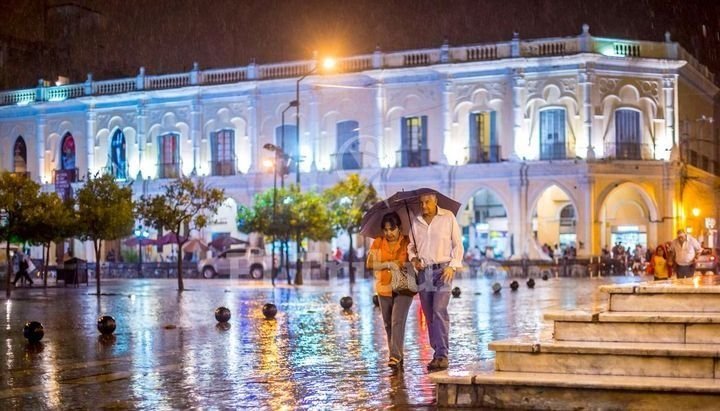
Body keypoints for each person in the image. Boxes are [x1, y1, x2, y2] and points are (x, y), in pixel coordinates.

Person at [408, 192, 464, 372]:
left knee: (439, 310)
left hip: (443, 270)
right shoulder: (415, 222)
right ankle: (436, 353)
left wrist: (453, 266)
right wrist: (413, 258)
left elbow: (457, 244)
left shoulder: (448, 217)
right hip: (424, 272)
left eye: (427, 202)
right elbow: (411, 247)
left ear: (435, 201)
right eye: (421, 202)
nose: (424, 206)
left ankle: (442, 354)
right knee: (429, 313)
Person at [367, 211, 412, 368]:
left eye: (391, 229)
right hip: (384, 287)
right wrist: (388, 264)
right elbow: (370, 264)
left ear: (399, 228)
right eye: (385, 230)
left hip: (403, 287)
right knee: (388, 324)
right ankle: (398, 353)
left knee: (397, 320)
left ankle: (395, 356)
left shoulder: (408, 242)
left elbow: (409, 262)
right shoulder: (378, 242)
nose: (388, 233)